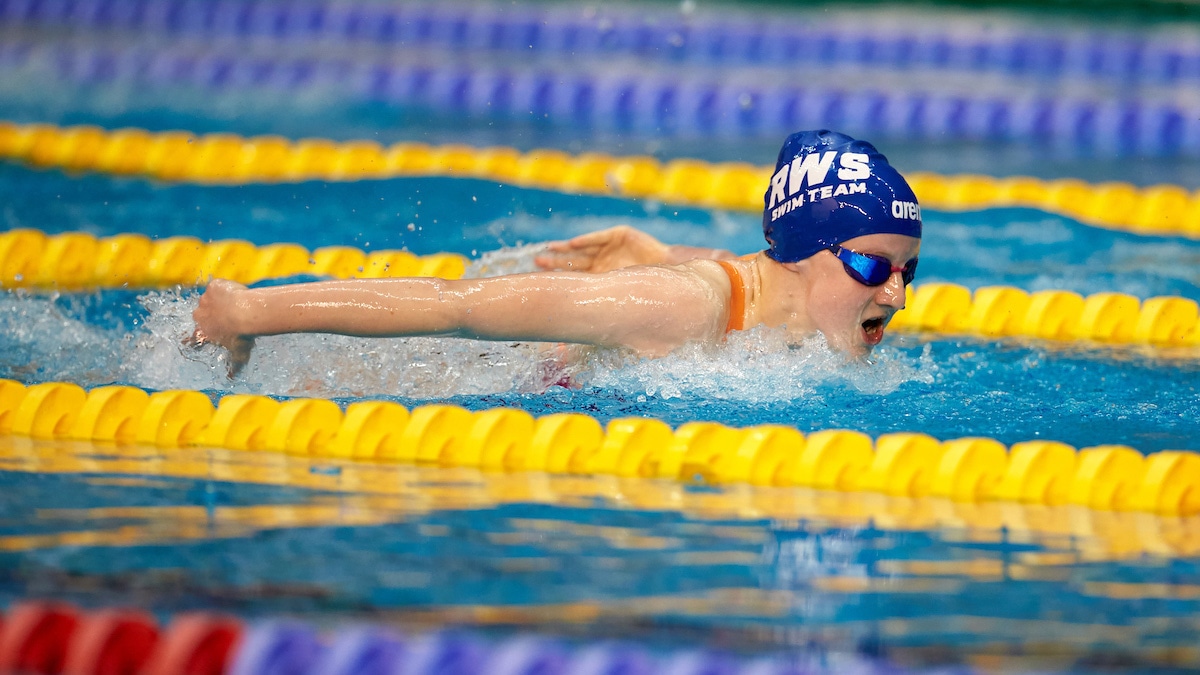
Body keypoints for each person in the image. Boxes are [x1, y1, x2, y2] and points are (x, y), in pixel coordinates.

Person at [189, 130, 921, 376]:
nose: (895, 293)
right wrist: (250, 308)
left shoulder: (777, 292)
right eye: (871, 265)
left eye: (908, 270)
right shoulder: (676, 304)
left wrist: (660, 250)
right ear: (801, 252)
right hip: (454, 394)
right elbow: (457, 308)